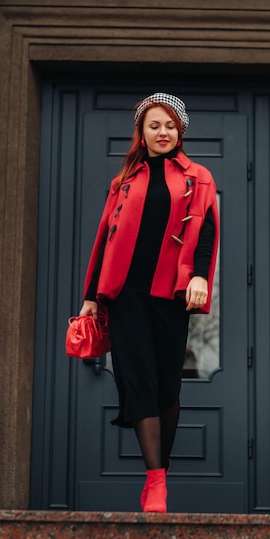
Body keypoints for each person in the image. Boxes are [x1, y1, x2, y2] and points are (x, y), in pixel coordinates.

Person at [79, 93, 219, 513]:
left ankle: (161, 468)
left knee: (166, 388)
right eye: (154, 125)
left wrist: (198, 276)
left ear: (181, 132)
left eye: (170, 126)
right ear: (140, 132)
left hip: (169, 294)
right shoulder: (124, 180)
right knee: (137, 379)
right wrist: (91, 297)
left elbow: (207, 230)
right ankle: (155, 481)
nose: (163, 132)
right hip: (126, 295)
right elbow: (106, 236)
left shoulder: (198, 177)